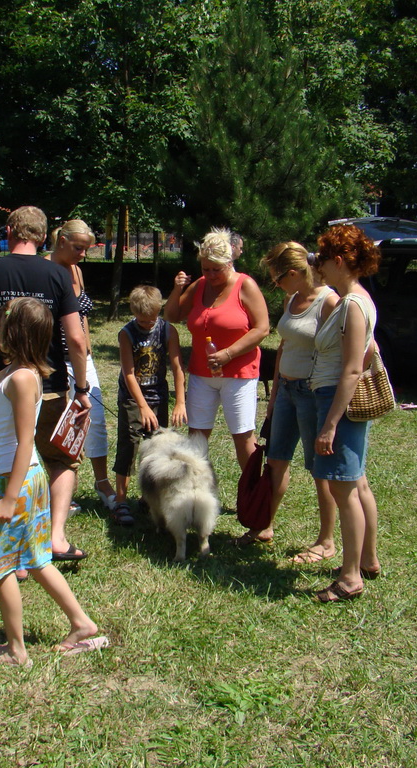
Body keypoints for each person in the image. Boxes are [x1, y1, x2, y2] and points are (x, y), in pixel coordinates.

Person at [0, 297, 108, 666]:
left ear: (13, 333)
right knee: (38, 558)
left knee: (0, 568)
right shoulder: (16, 371)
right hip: (12, 480)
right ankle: (82, 625)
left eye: (0, 327)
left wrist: (9, 497)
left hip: (12, 483)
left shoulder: (23, 379)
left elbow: (26, 441)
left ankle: (16, 651)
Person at [0, 205, 92, 562]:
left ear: (9, 232)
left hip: (5, 385)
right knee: (62, 461)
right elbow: (77, 340)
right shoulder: (58, 274)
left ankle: (15, 545)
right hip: (50, 384)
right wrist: (81, 390)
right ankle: (56, 538)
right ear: (42, 235)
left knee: (11, 461)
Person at [239, 242, 341, 554]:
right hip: (286, 391)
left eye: (278, 277)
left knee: (319, 470)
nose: (276, 284)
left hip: (313, 394)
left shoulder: (329, 302)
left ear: (295, 272)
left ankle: (326, 541)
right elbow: (284, 346)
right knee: (276, 461)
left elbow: (339, 351)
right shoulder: (291, 298)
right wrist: (274, 395)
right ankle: (264, 526)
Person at [310, 225, 384, 603]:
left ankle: (351, 576)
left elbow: (353, 368)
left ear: (339, 261)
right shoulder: (357, 300)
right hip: (337, 401)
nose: (318, 268)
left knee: (344, 489)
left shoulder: (353, 304)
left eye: (322, 260)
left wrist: (330, 423)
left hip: (338, 404)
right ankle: (367, 560)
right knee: (357, 484)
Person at [164, 227, 269, 469]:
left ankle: (251, 495)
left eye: (216, 270)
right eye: (205, 269)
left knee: (242, 436)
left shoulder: (246, 285)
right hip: (201, 373)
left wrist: (228, 353)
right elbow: (172, 315)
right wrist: (177, 289)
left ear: (229, 262)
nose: (210, 275)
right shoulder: (200, 285)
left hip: (238, 374)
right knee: (196, 436)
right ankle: (193, 490)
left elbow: (262, 328)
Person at [47, 220, 117, 513]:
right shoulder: (45, 269)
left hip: (81, 358)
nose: (83, 254)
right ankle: (62, 488)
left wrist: (86, 345)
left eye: (86, 249)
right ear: (61, 241)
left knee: (94, 419)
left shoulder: (76, 270)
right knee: (58, 424)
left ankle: (102, 482)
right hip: (52, 359)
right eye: (78, 248)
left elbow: (82, 313)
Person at [113, 285, 187, 523]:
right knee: (130, 444)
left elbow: (177, 367)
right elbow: (129, 373)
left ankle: (150, 497)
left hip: (159, 395)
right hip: (133, 398)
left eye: (152, 319)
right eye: (142, 320)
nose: (147, 324)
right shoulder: (127, 333)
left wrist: (180, 402)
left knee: (158, 447)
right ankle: (121, 500)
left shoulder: (167, 330)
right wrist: (142, 406)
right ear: (134, 313)